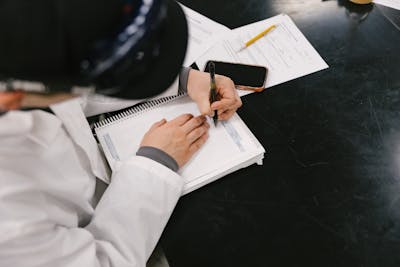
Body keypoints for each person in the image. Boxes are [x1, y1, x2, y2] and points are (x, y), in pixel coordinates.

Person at [0, 0, 242, 267]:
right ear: (11, 98)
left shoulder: (19, 57)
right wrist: (156, 162)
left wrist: (186, 81)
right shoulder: (8, 218)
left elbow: (68, 93)